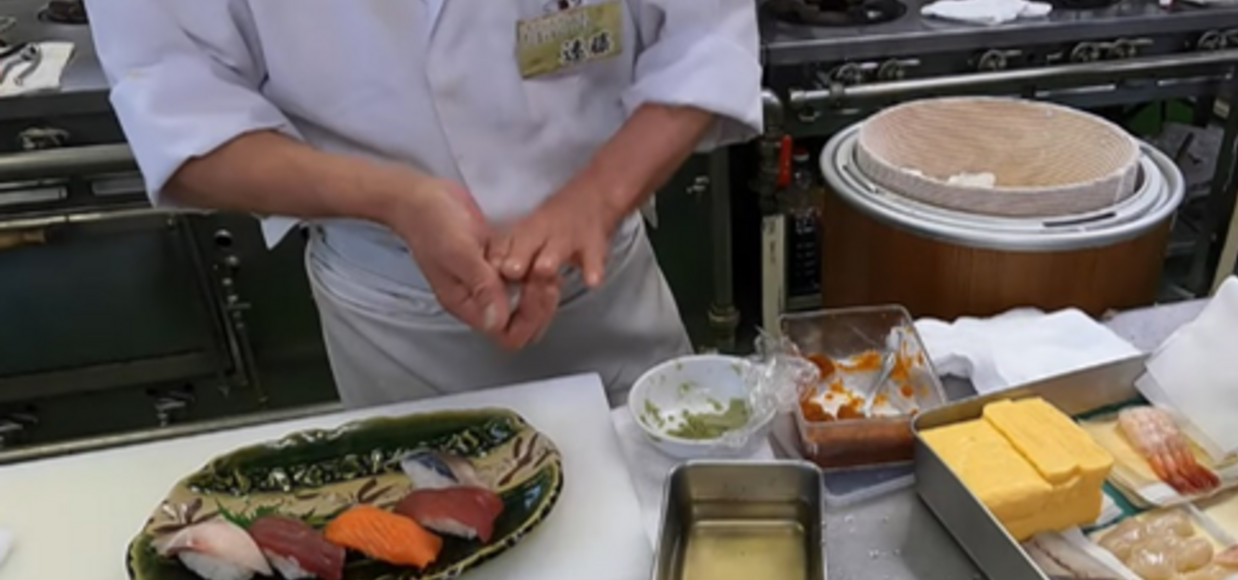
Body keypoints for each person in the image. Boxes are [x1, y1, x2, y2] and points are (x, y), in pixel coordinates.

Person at [85, 1, 763, 409]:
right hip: (393, 317)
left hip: (605, 291)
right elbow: (181, 115)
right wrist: (398, 201)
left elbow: (704, 38)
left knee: (653, 536)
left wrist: (597, 196)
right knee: (435, 577)